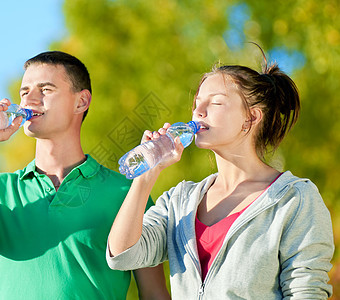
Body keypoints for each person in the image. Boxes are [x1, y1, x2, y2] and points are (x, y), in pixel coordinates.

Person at [0, 51, 170, 299]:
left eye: (45, 90)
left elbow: (154, 294)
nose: (29, 100)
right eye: (25, 91)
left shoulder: (127, 192)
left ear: (81, 101)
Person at [107, 51, 334, 298]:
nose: (199, 111)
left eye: (215, 102)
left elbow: (307, 292)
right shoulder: (179, 201)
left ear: (251, 117)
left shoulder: (294, 199)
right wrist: (145, 178)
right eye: (197, 103)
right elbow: (122, 255)